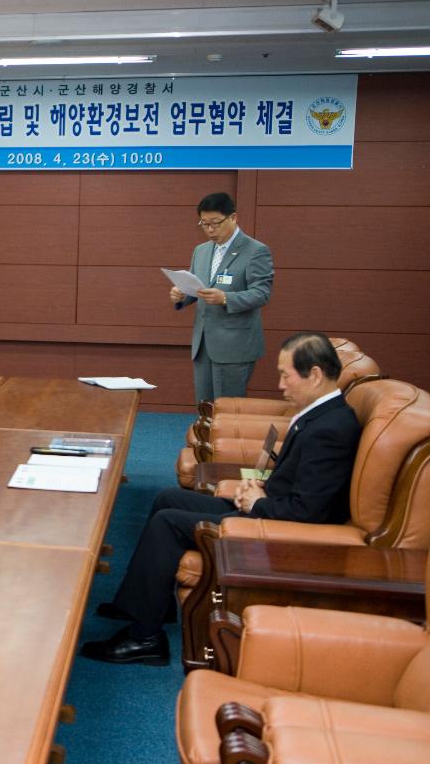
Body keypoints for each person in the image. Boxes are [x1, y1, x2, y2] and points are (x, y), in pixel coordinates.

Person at [80, 332, 360, 666]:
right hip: (268, 507)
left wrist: (258, 502)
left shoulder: (331, 429)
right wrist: (255, 487)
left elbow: (308, 511)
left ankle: (145, 639)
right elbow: (301, 482)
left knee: (168, 523)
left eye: (286, 375)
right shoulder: (321, 415)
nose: (281, 385)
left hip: (277, 530)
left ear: (314, 374)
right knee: (168, 499)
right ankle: (150, 603)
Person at [171, 192, 274, 405]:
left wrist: (225, 298)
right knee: (204, 408)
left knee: (228, 411)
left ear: (233, 218)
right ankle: (204, 440)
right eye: (204, 223)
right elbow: (198, 288)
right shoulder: (201, 250)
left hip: (235, 345)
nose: (209, 229)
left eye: (215, 223)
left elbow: (261, 293)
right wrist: (181, 294)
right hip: (203, 343)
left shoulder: (256, 251)